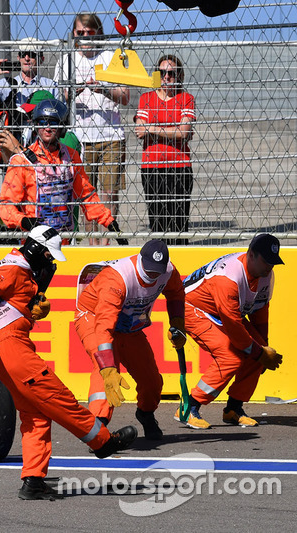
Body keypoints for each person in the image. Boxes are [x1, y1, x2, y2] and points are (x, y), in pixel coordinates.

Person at [0, 225, 137, 500]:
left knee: (36, 414)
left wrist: (29, 310)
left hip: (4, 353)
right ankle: (102, 442)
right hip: (12, 351)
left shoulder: (19, 271)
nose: (51, 262)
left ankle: (33, 481)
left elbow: (2, 307)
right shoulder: (13, 270)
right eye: (49, 256)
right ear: (36, 251)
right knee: (58, 397)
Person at [73, 240, 186, 440]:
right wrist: (108, 367)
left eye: (156, 272)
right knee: (105, 371)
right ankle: (98, 431)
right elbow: (104, 326)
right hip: (93, 318)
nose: (152, 275)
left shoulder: (168, 271)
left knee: (151, 381)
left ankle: (145, 414)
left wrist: (177, 324)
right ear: (140, 259)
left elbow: (176, 293)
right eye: (149, 270)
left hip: (128, 326)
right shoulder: (116, 280)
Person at [180, 234, 284, 429]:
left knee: (258, 353)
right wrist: (259, 353)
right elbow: (234, 327)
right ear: (251, 254)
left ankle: (233, 410)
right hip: (192, 308)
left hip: (222, 312)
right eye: (266, 261)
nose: (269, 267)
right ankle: (188, 407)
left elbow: (260, 309)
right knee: (231, 357)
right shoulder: (227, 278)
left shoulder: (264, 274)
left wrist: (263, 344)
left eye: (273, 262)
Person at [0, 98, 127, 244]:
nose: (47, 128)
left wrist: (109, 222)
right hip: (34, 240)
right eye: (42, 123)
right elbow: (5, 206)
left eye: (53, 123)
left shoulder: (71, 157)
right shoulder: (21, 161)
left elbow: (86, 195)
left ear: (62, 127)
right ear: (35, 126)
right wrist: (25, 222)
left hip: (63, 241)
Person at [54, 13, 129, 245]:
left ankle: (105, 243)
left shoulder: (112, 57)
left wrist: (103, 90)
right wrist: (71, 93)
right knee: (86, 192)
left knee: (108, 193)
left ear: (98, 33)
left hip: (110, 134)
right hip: (79, 136)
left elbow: (125, 96)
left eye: (89, 32)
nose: (85, 37)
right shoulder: (67, 60)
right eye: (80, 33)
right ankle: (91, 243)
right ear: (74, 35)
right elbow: (59, 99)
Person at [134, 54, 196, 245]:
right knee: (158, 223)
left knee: (179, 225)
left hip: (179, 166)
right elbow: (139, 131)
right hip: (152, 167)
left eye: (171, 73)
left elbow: (184, 132)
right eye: (162, 73)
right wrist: (172, 129)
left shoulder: (186, 99)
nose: (166, 77)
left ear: (179, 75)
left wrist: (152, 128)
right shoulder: (146, 98)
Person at [0, 40, 59, 111]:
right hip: (13, 129)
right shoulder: (6, 84)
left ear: (41, 59)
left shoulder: (51, 86)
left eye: (32, 54)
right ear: (18, 58)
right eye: (23, 54)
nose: (26, 58)